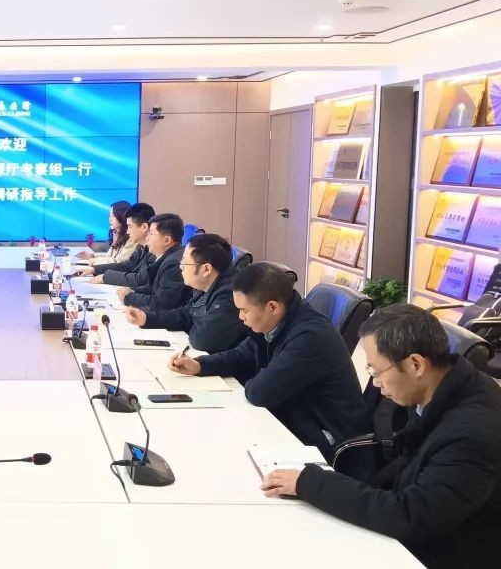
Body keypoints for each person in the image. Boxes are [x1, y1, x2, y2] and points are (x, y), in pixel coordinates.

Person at [262, 304, 501, 569]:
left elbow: (410, 516)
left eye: (377, 372)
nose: (376, 383)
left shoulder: (471, 434)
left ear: (416, 364)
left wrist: (311, 483)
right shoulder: (448, 386)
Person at [171, 262, 368, 461]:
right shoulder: (278, 320)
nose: (240, 317)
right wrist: (200, 365)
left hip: (326, 441)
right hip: (292, 417)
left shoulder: (310, 337)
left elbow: (260, 392)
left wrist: (254, 375)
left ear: (272, 307)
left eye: (244, 310)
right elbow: (241, 355)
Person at [125, 233, 245, 353]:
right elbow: (186, 314)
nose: (180, 267)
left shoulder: (230, 296)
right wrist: (146, 318)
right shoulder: (207, 284)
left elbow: (201, 340)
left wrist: (190, 323)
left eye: (185, 262)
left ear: (206, 269)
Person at [116, 212, 189, 312]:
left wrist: (129, 297)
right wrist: (132, 290)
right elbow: (154, 288)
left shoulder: (173, 264)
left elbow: (161, 304)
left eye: (151, 233)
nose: (147, 238)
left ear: (167, 240)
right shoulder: (167, 257)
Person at [75, 203, 156, 286]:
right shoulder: (141, 247)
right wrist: (94, 270)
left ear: (144, 227)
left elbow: (140, 279)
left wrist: (105, 277)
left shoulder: (155, 251)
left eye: (130, 226)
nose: (128, 231)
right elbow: (126, 266)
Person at [75, 200, 137, 266]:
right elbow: (110, 256)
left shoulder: (132, 238)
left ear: (122, 216)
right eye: (109, 216)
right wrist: (91, 256)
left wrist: (94, 260)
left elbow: (119, 262)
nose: (110, 219)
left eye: (113, 216)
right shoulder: (119, 235)